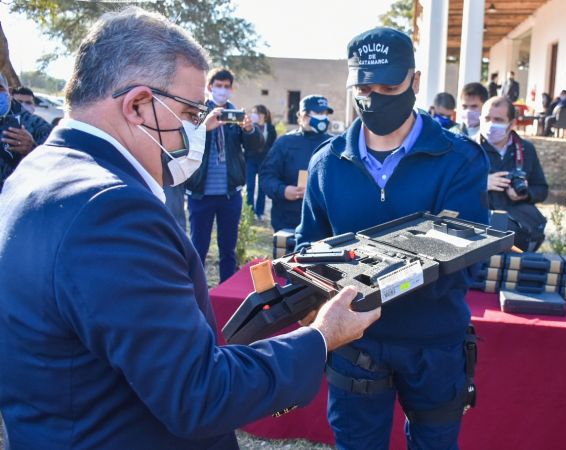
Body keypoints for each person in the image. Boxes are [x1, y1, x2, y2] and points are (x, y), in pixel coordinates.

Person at [0, 8, 379, 449]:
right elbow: (198, 395)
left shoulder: (37, 171)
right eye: (189, 111)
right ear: (138, 105)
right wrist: (320, 338)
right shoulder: (112, 210)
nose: (196, 128)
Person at [296, 27, 488, 449]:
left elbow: (468, 258)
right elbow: (307, 247)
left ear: (415, 82)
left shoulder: (460, 160)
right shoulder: (327, 163)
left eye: (390, 85)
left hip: (434, 344)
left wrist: (363, 267)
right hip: (354, 343)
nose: (376, 96)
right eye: (364, 86)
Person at [183, 68, 264, 283]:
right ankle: (196, 293)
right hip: (200, 193)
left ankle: (225, 291)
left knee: (228, 249)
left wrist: (249, 130)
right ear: (210, 87)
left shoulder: (236, 115)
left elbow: (255, 148)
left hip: (230, 194)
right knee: (198, 247)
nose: (223, 90)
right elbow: (182, 143)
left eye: (227, 86)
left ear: (232, 89)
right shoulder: (196, 114)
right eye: (219, 85)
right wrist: (204, 127)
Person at [478, 96, 548, 251]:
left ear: (511, 124)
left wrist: (526, 193)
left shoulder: (526, 149)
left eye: (498, 119)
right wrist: (481, 183)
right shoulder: (467, 148)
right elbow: (449, 188)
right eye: (487, 118)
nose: (491, 124)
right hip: (480, 231)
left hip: (518, 231)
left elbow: (542, 189)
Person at [260, 95, 332, 232]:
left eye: (325, 113)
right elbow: (266, 177)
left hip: (324, 224)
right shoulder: (285, 143)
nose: (323, 117)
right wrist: (283, 190)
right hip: (288, 221)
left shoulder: (334, 144)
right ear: (304, 116)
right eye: (318, 113)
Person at [0, 76, 53, 191]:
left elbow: (54, 168)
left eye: (0, 89)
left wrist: (31, 149)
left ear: (8, 92)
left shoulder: (38, 126)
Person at [246, 104, 276, 220]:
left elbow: (273, 144)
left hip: (264, 160)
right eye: (253, 113)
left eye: (257, 113)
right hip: (251, 159)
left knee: (262, 188)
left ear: (263, 115)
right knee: (250, 186)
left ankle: (260, 212)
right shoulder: (250, 127)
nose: (255, 116)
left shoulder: (271, 128)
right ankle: (249, 212)